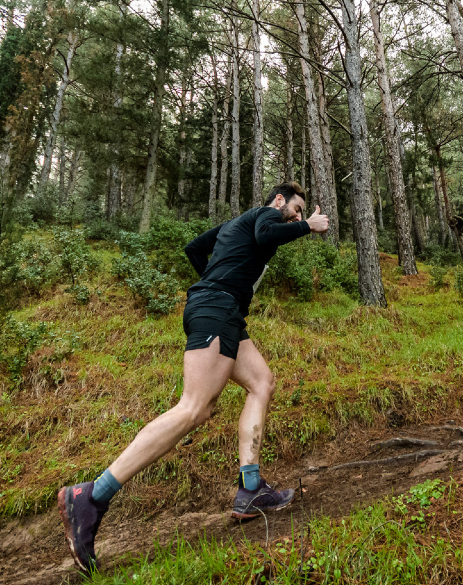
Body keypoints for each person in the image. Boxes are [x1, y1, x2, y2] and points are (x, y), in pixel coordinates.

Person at [57, 181, 329, 574]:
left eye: (304, 214)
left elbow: (193, 249)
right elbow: (269, 232)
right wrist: (309, 227)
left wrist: (219, 281)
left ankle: (250, 489)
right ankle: (90, 496)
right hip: (215, 310)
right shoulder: (266, 215)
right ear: (279, 200)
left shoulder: (233, 225)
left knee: (261, 383)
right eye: (298, 208)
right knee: (194, 408)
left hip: (224, 311)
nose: (299, 216)